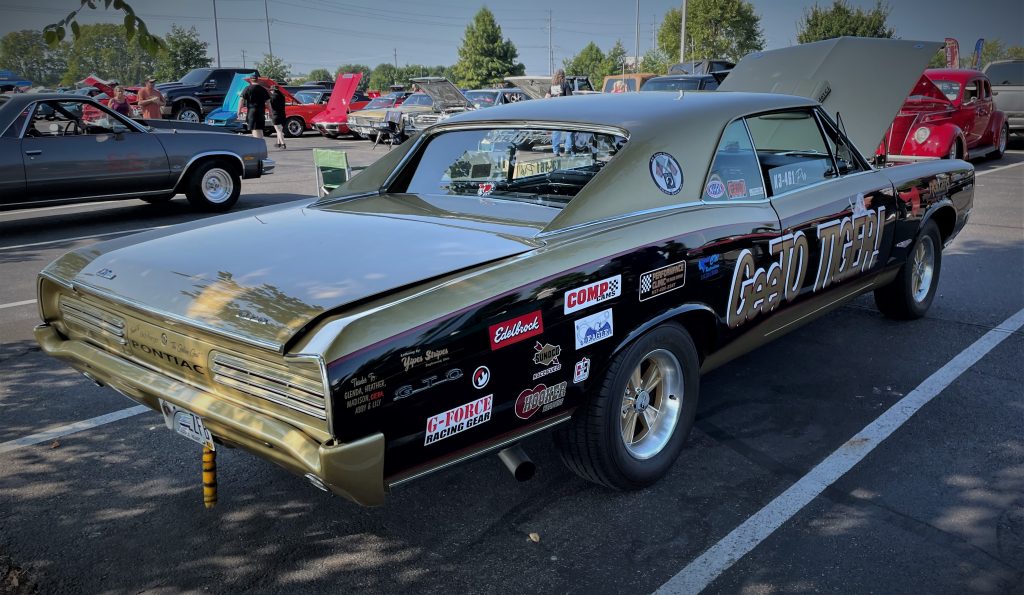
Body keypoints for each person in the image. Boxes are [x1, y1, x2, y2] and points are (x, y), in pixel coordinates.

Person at [546, 69, 573, 156]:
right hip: (565, 111)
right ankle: (567, 149)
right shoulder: (565, 84)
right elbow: (570, 99)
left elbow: (546, 97)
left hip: (555, 111)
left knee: (556, 132)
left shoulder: (552, 86)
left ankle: (555, 151)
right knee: (570, 130)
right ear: (563, 76)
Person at [268, 85, 287, 149]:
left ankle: (283, 144)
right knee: (280, 130)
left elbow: (269, 105)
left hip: (275, 115)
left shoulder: (272, 97)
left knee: (278, 130)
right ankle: (278, 143)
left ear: (273, 90)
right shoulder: (282, 96)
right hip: (283, 115)